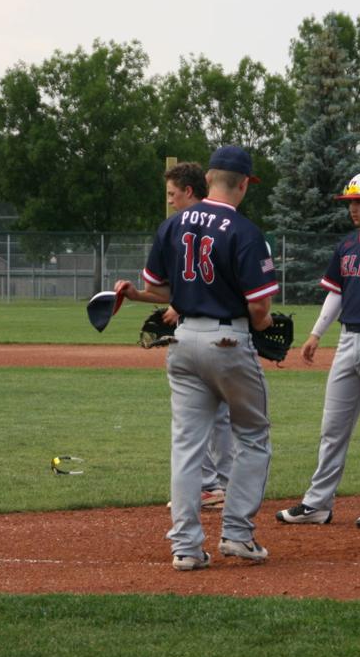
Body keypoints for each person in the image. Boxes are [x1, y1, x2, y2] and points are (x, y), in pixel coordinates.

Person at [115, 145, 277, 570]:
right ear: (243, 184)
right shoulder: (244, 231)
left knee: (187, 447)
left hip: (183, 340)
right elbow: (260, 310)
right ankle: (238, 534)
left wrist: (140, 294)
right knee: (253, 437)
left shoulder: (173, 225)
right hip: (228, 342)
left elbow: (164, 290)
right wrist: (263, 326)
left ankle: (185, 546)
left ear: (207, 181)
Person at [276, 173, 360, 529]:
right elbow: (335, 292)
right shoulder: (347, 246)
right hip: (347, 339)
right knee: (332, 426)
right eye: (350, 202)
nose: (352, 208)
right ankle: (318, 503)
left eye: (359, 201)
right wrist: (316, 333)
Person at [162, 162, 233, 511]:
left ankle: (214, 486)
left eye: (174, 194)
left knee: (208, 417)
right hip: (206, 333)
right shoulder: (192, 228)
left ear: (190, 191)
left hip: (212, 332)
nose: (171, 201)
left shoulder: (196, 228)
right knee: (213, 416)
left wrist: (182, 304)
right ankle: (214, 485)